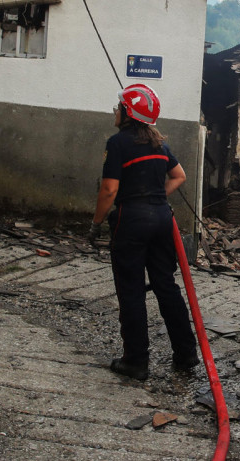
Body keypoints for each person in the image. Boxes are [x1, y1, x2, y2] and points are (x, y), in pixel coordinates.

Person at [93, 83, 198, 381]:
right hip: (163, 219)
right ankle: (186, 353)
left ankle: (136, 361)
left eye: (119, 106)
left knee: (131, 290)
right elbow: (179, 176)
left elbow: (110, 189)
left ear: (128, 112)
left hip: (132, 220)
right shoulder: (159, 144)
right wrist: (156, 198)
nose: (115, 111)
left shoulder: (117, 143)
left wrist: (97, 222)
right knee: (166, 285)